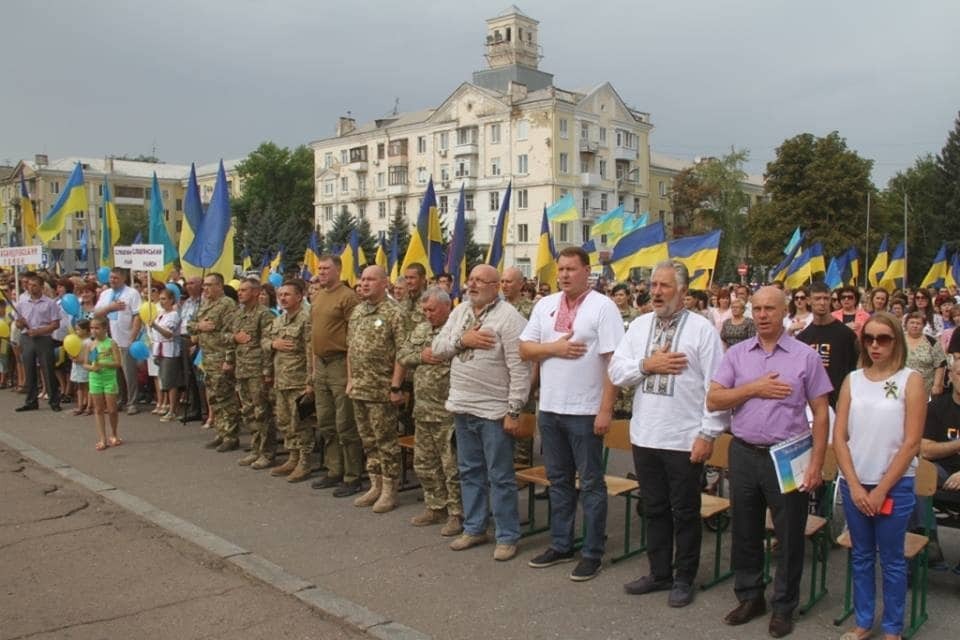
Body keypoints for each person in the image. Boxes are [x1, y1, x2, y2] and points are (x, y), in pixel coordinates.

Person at [707, 286, 832, 638]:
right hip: (744, 452)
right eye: (756, 309)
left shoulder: (805, 356)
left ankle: (783, 606)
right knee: (745, 530)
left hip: (788, 455)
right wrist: (753, 389)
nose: (762, 315)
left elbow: (821, 413)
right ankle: (750, 597)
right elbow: (714, 400)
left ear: (784, 312)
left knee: (789, 534)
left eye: (769, 309)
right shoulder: (736, 355)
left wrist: (816, 464)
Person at [609, 260, 727, 607]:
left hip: (684, 437)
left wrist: (708, 433)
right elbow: (617, 371)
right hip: (646, 434)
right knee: (654, 507)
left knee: (685, 511)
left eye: (664, 286)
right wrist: (648, 365)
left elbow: (716, 385)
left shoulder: (702, 330)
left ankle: (684, 577)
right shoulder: (640, 325)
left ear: (683, 292)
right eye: (654, 285)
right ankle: (659, 572)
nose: (656, 292)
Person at [519, 247, 624, 581]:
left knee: (591, 483)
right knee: (559, 481)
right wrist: (555, 348)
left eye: (571, 269)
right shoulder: (545, 304)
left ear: (586, 271)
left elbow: (614, 363)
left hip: (585, 410)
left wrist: (606, 410)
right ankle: (562, 544)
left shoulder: (603, 307)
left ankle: (592, 551)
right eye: (560, 269)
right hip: (550, 408)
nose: (564, 275)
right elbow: (524, 348)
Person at [833, 312, 925, 640]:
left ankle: (892, 628)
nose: (875, 345)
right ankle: (863, 621)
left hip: (894, 485)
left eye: (883, 338)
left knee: (892, 560)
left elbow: (911, 441)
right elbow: (839, 437)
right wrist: (856, 486)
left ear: (896, 340)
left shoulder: (910, 380)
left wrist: (881, 489)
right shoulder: (852, 380)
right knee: (860, 557)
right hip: (855, 484)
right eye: (868, 338)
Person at [432, 264, 531, 560]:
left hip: (494, 411)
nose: (472, 285)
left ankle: (507, 535)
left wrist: (514, 410)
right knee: (469, 472)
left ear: (495, 286)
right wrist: (464, 340)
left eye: (480, 281)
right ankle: (475, 528)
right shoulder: (460, 311)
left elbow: (521, 368)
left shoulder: (510, 319)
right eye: (470, 280)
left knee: (500, 476)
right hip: (461, 406)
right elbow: (437, 348)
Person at [397, 287, 463, 535]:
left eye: (432, 309)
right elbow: (402, 354)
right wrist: (421, 356)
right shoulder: (422, 329)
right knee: (424, 463)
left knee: (452, 467)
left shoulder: (457, 329)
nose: (427, 314)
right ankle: (435, 506)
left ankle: (457, 513)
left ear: (447, 307)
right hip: (423, 409)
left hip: (448, 411)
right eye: (424, 310)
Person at [347, 266, 407, 513]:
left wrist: (396, 386)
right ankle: (375, 484)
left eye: (371, 279)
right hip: (359, 387)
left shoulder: (395, 312)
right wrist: (350, 379)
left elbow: (402, 354)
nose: (365, 283)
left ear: (385, 283)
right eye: (363, 279)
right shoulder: (358, 311)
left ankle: (390, 490)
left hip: (381, 389)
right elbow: (351, 348)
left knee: (386, 441)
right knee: (368, 440)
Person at [309, 255, 363, 496]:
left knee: (345, 423)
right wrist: (312, 369)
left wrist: (351, 374)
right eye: (319, 268)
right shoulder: (319, 295)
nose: (321, 272)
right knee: (326, 421)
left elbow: (354, 335)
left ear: (338, 270)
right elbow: (314, 335)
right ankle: (334, 469)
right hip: (321, 364)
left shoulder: (347, 297)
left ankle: (352, 476)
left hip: (340, 363)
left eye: (326, 268)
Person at [263, 279, 314, 481]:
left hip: (299, 380)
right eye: (280, 295)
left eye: (287, 294)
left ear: (300, 296)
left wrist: (310, 381)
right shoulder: (279, 320)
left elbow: (311, 351)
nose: (282, 298)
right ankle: (292, 457)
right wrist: (273, 344)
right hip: (281, 380)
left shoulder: (306, 319)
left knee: (300, 423)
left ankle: (304, 462)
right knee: (284, 422)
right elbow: (264, 341)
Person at [189, 274, 240, 451]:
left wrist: (229, 360)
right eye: (204, 286)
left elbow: (232, 335)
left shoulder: (227, 305)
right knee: (214, 398)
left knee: (226, 398)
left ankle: (231, 436)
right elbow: (190, 325)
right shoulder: (205, 303)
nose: (206, 289)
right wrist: (199, 327)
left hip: (220, 357)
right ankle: (221, 432)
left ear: (219, 286)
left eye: (210, 285)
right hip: (207, 358)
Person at [230, 278, 276, 469]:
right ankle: (256, 449)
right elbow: (229, 337)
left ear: (256, 293)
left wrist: (267, 372)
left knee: (261, 412)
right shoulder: (239, 314)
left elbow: (267, 345)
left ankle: (267, 452)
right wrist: (233, 340)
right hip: (242, 368)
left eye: (244, 290)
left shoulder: (264, 315)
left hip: (257, 370)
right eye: (239, 290)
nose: (240, 293)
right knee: (248, 412)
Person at [796, 282, 859, 409]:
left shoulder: (846, 335)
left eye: (826, 298)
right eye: (817, 298)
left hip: (840, 401)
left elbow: (855, 369)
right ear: (808, 301)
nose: (822, 302)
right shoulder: (802, 338)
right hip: (812, 404)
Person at [93, 268, 141, 414]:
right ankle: (119, 400)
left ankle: (132, 402)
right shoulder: (106, 294)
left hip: (125, 339)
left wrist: (132, 337)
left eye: (116, 278)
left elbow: (137, 316)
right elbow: (96, 313)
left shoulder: (132, 293)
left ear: (124, 278)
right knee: (115, 373)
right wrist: (110, 307)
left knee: (129, 374)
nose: (112, 280)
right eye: (111, 277)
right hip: (110, 340)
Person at [14, 273, 62, 412]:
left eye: (34, 285)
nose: (31, 288)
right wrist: (20, 323)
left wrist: (39, 331)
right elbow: (17, 324)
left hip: (44, 338)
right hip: (27, 338)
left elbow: (55, 324)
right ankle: (31, 401)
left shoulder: (50, 303)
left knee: (48, 369)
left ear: (41, 287)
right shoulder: (21, 302)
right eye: (29, 285)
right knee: (29, 369)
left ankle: (54, 401)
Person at [83, 317, 123, 450]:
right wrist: (92, 368)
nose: (93, 331)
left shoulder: (111, 343)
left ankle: (114, 434)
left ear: (105, 329)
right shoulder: (89, 344)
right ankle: (102, 438)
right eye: (92, 328)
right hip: (95, 379)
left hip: (109, 378)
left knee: (112, 409)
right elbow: (85, 364)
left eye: (97, 328)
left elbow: (118, 363)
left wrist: (103, 363)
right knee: (98, 409)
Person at [149, 287, 182, 422]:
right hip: (159, 350)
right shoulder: (160, 314)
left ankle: (173, 409)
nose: (162, 302)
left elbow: (169, 333)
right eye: (161, 299)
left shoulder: (173, 315)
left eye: (164, 299)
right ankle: (169, 406)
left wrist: (155, 326)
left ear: (171, 300)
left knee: (171, 381)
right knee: (164, 380)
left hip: (170, 351)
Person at [177, 276, 204, 422]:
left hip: (195, 341)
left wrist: (197, 342)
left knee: (199, 377)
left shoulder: (203, 303)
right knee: (188, 376)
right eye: (187, 283)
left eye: (193, 283)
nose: (189, 286)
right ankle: (194, 408)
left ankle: (204, 410)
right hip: (184, 339)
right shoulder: (186, 302)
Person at [904, 311, 946, 397]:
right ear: (906, 324)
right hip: (902, 385)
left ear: (923, 326)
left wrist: (937, 385)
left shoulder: (932, 342)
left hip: (925, 388)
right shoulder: (898, 340)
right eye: (912, 323)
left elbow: (940, 364)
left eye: (918, 323)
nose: (915, 326)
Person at [68, 319, 92, 416]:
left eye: (78, 329)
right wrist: (71, 357)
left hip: (85, 366)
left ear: (86, 330)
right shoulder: (75, 340)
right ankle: (80, 405)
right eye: (76, 329)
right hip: (77, 366)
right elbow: (71, 350)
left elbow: (90, 356)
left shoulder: (89, 341)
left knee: (88, 386)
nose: (76, 332)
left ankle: (89, 406)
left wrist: (81, 360)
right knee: (79, 386)